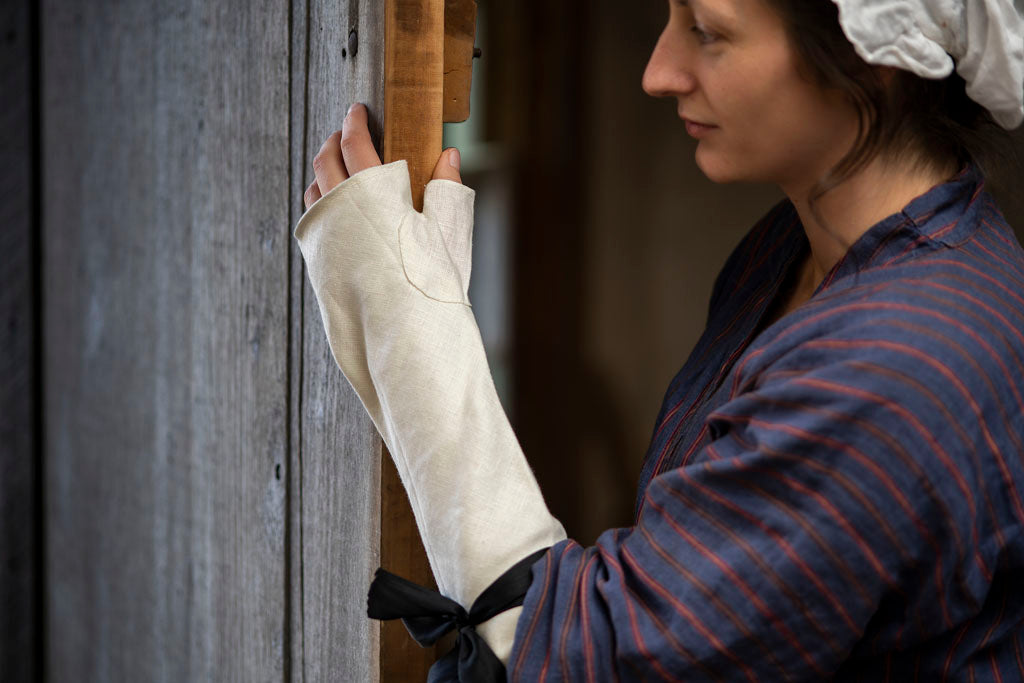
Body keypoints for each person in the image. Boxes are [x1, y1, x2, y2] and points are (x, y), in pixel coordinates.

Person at [297, 0, 1024, 679]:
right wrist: (413, 319)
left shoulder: (892, 364)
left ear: (875, 55)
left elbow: (601, 655)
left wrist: (412, 325)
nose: (658, 72)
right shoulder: (794, 250)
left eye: (707, 31)